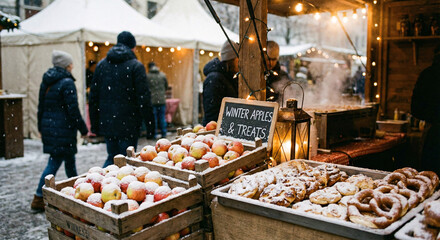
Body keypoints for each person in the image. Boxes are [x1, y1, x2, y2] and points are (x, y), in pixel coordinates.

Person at [31, 50, 88, 211]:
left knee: (70, 161)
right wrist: (83, 129)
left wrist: (40, 127)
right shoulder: (67, 82)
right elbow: (73, 110)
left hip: (51, 128)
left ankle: (78, 192)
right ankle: (38, 197)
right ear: (66, 65)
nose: (72, 66)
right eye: (70, 63)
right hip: (63, 129)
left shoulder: (47, 80)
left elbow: (40, 106)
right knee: (54, 162)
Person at [89, 31, 155, 167]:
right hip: (129, 123)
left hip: (108, 122)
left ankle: (102, 183)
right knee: (127, 161)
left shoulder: (101, 65)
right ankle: (108, 184)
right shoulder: (136, 66)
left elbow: (93, 97)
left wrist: (95, 124)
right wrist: (150, 126)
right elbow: (144, 98)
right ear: (132, 47)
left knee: (112, 158)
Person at [411, 45, 440, 175]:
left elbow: (415, 109)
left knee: (429, 176)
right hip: (433, 130)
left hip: (433, 132)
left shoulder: (427, 74)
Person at [202, 41, 239, 125]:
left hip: (227, 126)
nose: (239, 64)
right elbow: (212, 112)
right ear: (231, 60)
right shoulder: (214, 79)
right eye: (238, 60)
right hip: (216, 129)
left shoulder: (230, 76)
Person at [265, 41, 292, 106]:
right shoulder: (257, 75)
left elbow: (288, 98)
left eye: (273, 59)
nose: (270, 63)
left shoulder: (283, 77)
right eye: (268, 59)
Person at [147, 62, 168, 138]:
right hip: (162, 100)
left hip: (152, 100)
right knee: (162, 117)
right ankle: (164, 133)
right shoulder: (162, 75)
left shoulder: (148, 76)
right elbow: (166, 86)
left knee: (154, 119)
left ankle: (154, 134)